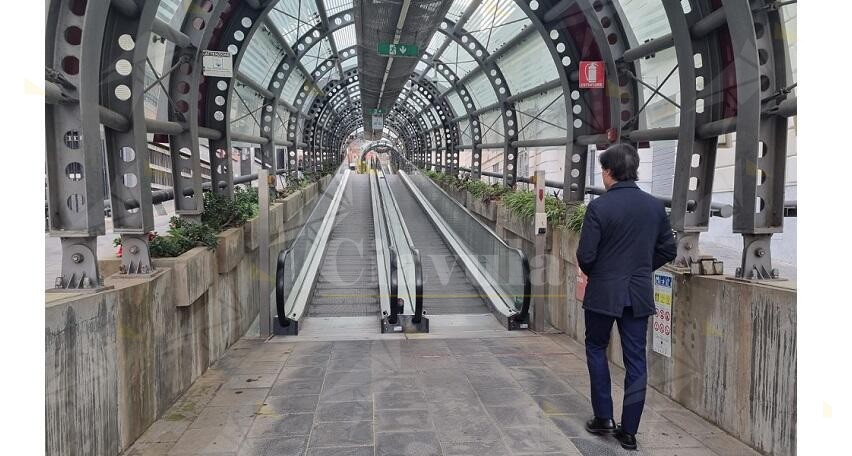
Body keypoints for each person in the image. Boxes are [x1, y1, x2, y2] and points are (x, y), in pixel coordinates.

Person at [576, 143, 677, 451]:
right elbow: (668, 249)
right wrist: (641, 268)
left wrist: (605, 271)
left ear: (609, 172)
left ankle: (604, 417)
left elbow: (586, 256)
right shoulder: (654, 206)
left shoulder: (599, 207)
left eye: (603, 170)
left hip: (604, 293)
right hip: (638, 292)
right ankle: (629, 431)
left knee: (596, 347)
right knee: (636, 362)